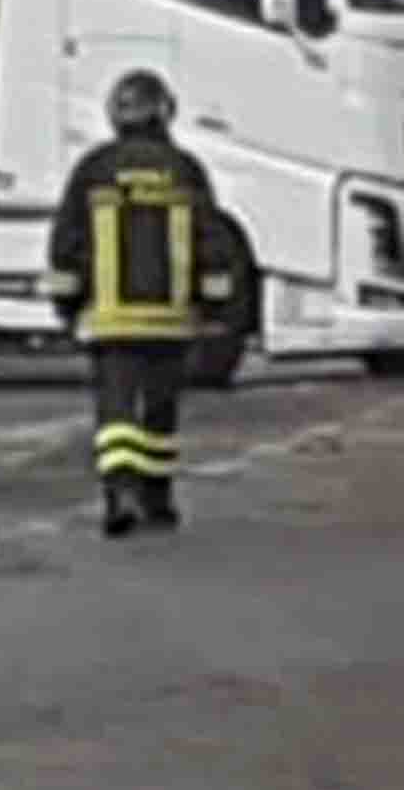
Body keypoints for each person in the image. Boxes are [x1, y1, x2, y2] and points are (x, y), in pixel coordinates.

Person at [46, 68, 256, 536]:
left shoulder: (93, 169)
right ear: (164, 111)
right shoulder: (184, 169)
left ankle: (118, 491)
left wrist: (66, 305)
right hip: (169, 320)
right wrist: (217, 310)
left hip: (110, 320)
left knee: (116, 412)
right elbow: (212, 242)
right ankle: (157, 500)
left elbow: (67, 243)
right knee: (159, 414)